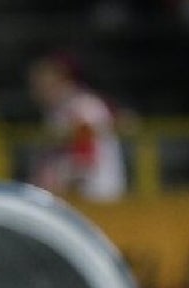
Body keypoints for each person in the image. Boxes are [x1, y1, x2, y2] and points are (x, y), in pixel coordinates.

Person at [28, 53, 127, 201]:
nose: (35, 91)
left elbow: (85, 159)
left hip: (95, 195)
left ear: (61, 81)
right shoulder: (58, 110)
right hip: (78, 196)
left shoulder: (82, 107)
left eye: (42, 84)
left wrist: (54, 182)